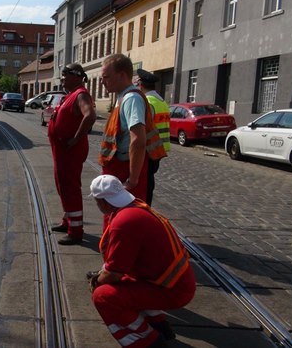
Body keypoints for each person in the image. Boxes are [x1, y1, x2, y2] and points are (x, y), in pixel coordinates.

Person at [87, 174, 196, 348]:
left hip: (173, 290)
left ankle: (147, 342)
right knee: (122, 282)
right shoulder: (135, 206)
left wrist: (96, 281)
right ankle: (159, 326)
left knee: (103, 296)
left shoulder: (124, 221)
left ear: (103, 202)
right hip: (173, 282)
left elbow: (114, 273)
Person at [99, 54, 166, 203]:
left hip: (126, 172)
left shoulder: (131, 99)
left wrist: (133, 179)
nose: (102, 81)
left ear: (121, 75)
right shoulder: (123, 97)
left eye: (106, 77)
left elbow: (138, 140)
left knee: (128, 217)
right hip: (119, 169)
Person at [48, 63, 97, 245]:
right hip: (62, 151)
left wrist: (75, 139)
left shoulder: (80, 94)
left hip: (70, 151)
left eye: (64, 75)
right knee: (62, 186)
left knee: (70, 188)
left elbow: (90, 115)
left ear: (75, 76)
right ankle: (68, 220)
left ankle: (76, 230)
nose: (62, 79)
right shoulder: (70, 95)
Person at [136, 69, 171, 205]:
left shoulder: (148, 102)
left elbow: (143, 128)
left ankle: (145, 210)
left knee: (145, 183)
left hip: (149, 148)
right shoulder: (161, 101)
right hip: (159, 147)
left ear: (141, 85)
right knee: (149, 179)